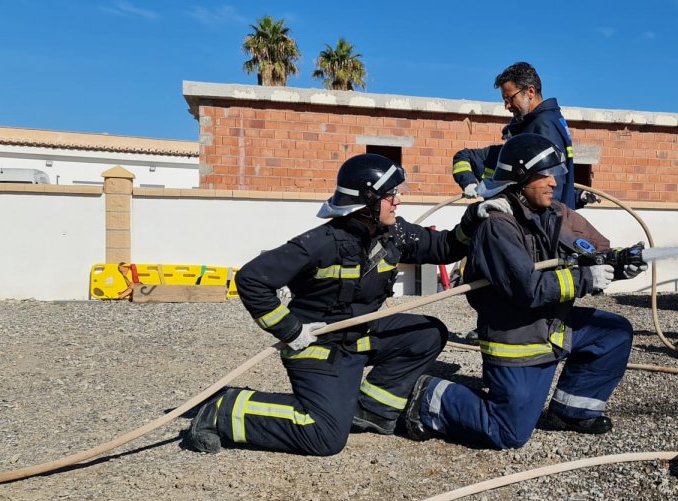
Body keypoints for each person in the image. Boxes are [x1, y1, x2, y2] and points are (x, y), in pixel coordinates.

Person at [185, 153, 497, 456]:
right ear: (368, 202)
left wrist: (474, 219)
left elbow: (443, 247)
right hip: (318, 345)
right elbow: (252, 279)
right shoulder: (322, 243)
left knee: (427, 333)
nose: (398, 200)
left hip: (357, 336)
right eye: (391, 195)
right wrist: (291, 330)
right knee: (324, 436)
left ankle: (373, 410)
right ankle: (224, 410)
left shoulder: (392, 234)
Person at [403, 133, 646, 449]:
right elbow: (527, 289)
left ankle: (572, 411)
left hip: (551, 326)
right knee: (508, 433)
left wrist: (617, 263)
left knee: (614, 333)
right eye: (543, 175)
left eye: (554, 174)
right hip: (517, 339)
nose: (553, 183)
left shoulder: (555, 212)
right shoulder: (497, 225)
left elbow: (596, 247)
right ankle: (426, 396)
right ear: (519, 177)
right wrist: (589, 276)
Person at [489, 61, 597, 209]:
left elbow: (551, 186)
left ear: (530, 92)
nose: (507, 106)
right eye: (505, 100)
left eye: (510, 98)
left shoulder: (543, 125)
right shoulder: (551, 119)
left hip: (545, 222)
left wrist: (545, 222)